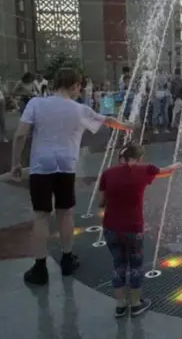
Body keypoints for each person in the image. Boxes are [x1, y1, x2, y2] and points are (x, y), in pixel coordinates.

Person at [10, 68, 135, 286]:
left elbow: (21, 134)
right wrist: (126, 127)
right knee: (65, 213)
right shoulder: (79, 109)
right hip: (66, 165)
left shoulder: (36, 104)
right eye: (79, 86)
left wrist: (16, 163)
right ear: (75, 85)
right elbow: (107, 120)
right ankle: (67, 259)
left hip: (41, 165)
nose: (80, 90)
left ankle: (40, 268)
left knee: (41, 216)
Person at [98, 141, 182, 317]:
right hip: (133, 227)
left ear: (121, 157)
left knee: (118, 264)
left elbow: (101, 202)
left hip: (111, 227)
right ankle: (136, 304)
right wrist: (175, 166)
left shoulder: (107, 173)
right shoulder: (145, 170)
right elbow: (165, 171)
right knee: (135, 265)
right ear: (140, 158)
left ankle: (120, 305)